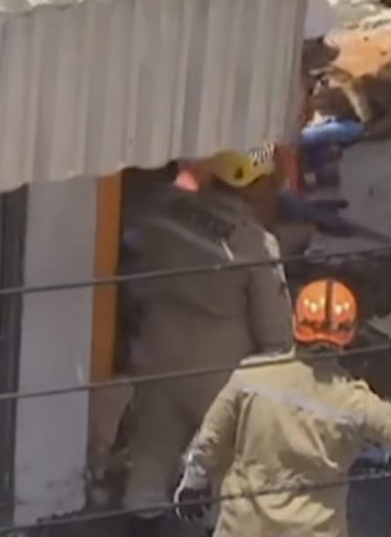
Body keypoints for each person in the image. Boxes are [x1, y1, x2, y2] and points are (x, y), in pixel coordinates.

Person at [172, 278, 391, 537]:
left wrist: (194, 481)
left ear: (295, 322)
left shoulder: (251, 376)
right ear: (348, 335)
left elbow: (210, 438)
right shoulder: (353, 401)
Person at [119, 143, 296, 536]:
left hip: (157, 359)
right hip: (219, 382)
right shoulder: (255, 244)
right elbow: (276, 337)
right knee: (221, 482)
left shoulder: (164, 212)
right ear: (255, 183)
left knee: (148, 466)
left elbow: (134, 279)